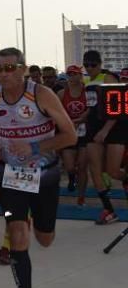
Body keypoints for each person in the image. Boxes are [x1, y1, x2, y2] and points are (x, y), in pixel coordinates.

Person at [0, 47, 76, 288]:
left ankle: (33, 221)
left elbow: (68, 135)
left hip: (45, 174)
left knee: (44, 239)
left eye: (9, 68)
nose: (3, 74)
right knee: (18, 233)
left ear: (22, 68)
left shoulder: (41, 95)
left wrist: (34, 146)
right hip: (12, 175)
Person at [82, 50, 125, 225]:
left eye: (93, 65)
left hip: (113, 128)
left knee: (113, 171)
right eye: (87, 65)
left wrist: (105, 130)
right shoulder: (87, 81)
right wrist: (78, 120)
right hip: (93, 129)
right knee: (95, 170)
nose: (90, 68)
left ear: (100, 64)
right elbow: (92, 107)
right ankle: (109, 210)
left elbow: (116, 108)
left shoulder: (108, 79)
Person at [57, 65, 89, 196]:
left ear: (80, 76)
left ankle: (81, 197)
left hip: (85, 133)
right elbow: (56, 112)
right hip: (68, 133)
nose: (72, 76)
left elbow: (92, 109)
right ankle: (72, 177)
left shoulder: (87, 91)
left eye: (74, 73)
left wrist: (82, 119)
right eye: (69, 74)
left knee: (82, 167)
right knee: (70, 167)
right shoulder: (61, 93)